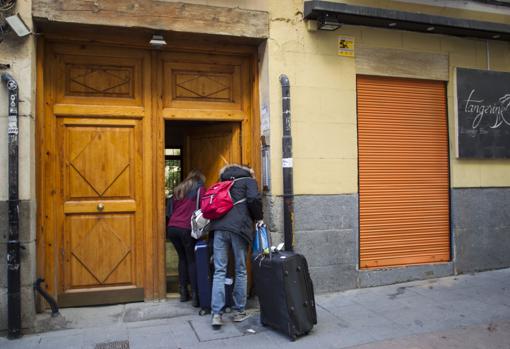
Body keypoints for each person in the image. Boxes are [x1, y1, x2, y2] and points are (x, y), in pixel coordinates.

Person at [209, 164, 263, 328]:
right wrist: (259, 217)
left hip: (218, 228)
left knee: (219, 270)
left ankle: (216, 314)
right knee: (240, 269)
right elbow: (254, 199)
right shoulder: (249, 181)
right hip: (239, 229)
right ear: (249, 172)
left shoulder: (223, 181)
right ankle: (239, 310)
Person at [167, 170, 205, 307]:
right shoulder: (200, 189)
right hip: (186, 228)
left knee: (182, 259)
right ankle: (195, 294)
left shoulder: (179, 189)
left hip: (172, 227)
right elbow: (203, 208)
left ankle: (183, 292)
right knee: (191, 260)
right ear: (200, 178)